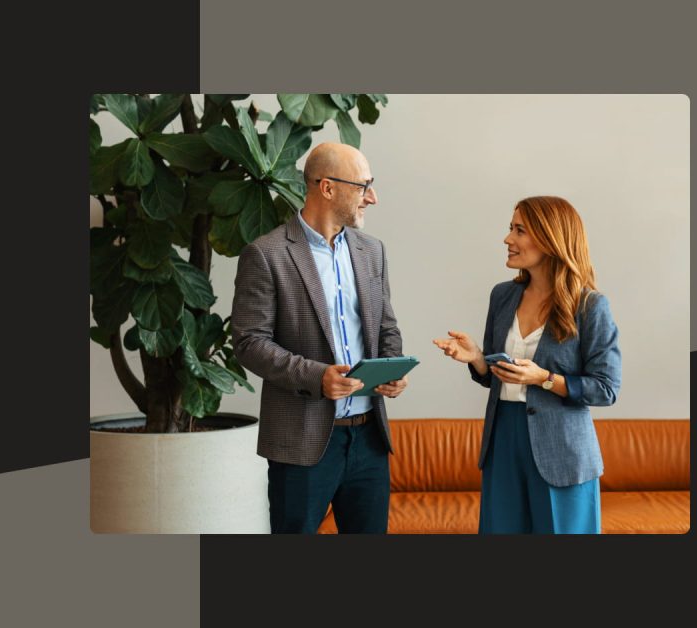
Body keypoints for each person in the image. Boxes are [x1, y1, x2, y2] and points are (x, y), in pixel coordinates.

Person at [231, 142, 408, 534]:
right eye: (364, 186)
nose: (372, 197)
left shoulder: (372, 251)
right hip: (301, 442)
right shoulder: (266, 254)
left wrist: (392, 367)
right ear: (327, 188)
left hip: (369, 439)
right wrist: (317, 376)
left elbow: (385, 328)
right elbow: (249, 341)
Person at [433, 196, 621, 534]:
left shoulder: (590, 306)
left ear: (550, 239)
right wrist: (477, 359)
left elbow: (606, 389)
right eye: (510, 229)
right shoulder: (502, 295)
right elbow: (498, 378)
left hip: (561, 450)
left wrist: (544, 378)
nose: (508, 239)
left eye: (519, 230)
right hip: (503, 438)